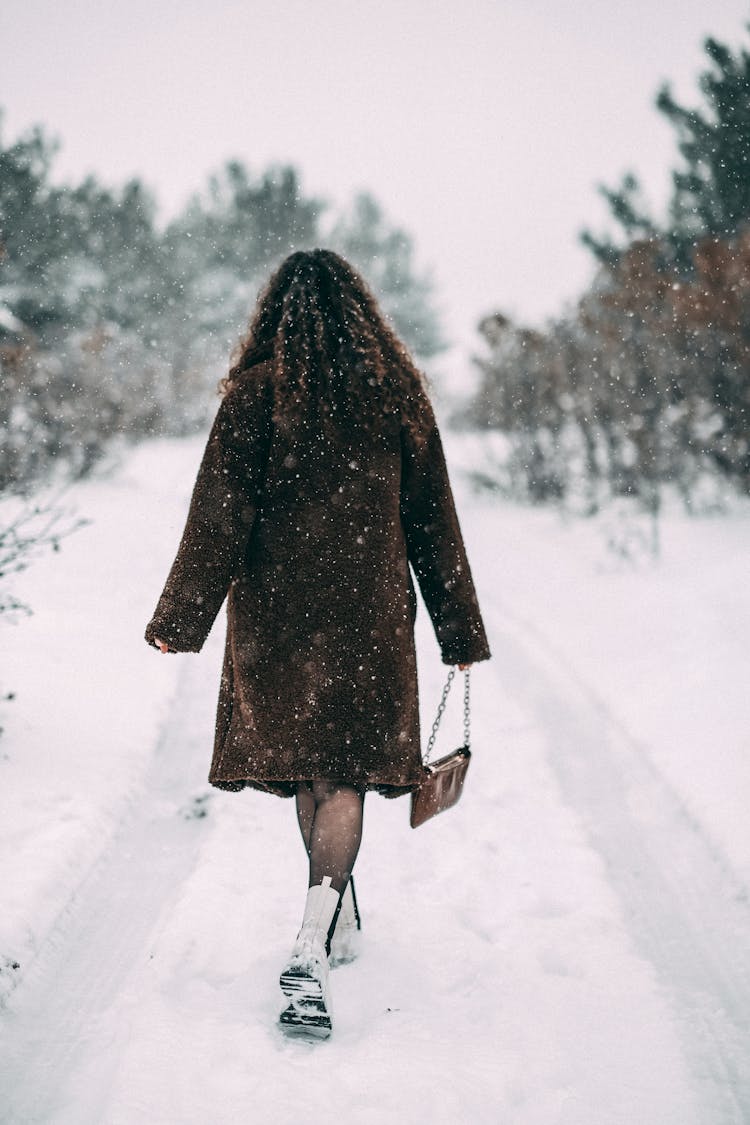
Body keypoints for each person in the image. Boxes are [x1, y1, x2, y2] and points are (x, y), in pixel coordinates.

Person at [145, 248, 490, 1037]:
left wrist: (180, 619)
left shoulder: (256, 398)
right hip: (366, 618)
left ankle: (316, 930)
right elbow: (434, 521)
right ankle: (326, 920)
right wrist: (458, 630)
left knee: (312, 767)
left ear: (275, 314)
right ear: (363, 318)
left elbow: (218, 516)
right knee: (342, 776)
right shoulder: (396, 395)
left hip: (277, 617)